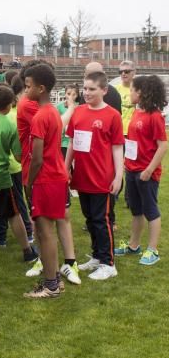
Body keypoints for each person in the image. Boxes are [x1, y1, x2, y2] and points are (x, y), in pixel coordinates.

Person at [65, 71, 124, 280]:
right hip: (82, 177)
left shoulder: (113, 115)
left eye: (92, 89)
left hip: (102, 178)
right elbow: (72, 142)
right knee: (90, 220)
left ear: (104, 90)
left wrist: (118, 175)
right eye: (85, 88)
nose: (86, 93)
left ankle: (109, 263)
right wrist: (65, 167)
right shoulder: (79, 112)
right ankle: (98, 257)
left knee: (102, 220)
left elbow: (117, 147)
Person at [23, 64, 71, 299]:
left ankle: (51, 285)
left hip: (46, 179)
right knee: (46, 231)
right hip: (55, 177)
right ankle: (53, 280)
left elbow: (37, 157)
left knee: (45, 232)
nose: (26, 90)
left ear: (41, 88)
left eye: (28, 86)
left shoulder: (40, 116)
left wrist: (29, 182)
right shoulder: (52, 111)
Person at [114, 74, 168, 265]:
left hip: (146, 173)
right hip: (132, 169)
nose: (130, 93)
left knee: (150, 210)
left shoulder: (155, 117)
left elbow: (163, 145)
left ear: (141, 92)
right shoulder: (137, 112)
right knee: (136, 210)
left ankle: (152, 250)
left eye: (132, 90)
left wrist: (149, 169)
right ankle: (134, 245)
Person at [0, 85, 38, 263]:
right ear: (9, 105)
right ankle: (27, 250)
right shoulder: (10, 124)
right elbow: (17, 155)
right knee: (14, 214)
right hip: (0, 175)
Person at [115, 60, 136, 136]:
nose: (123, 74)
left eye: (126, 71)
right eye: (121, 72)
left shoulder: (140, 90)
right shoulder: (115, 90)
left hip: (135, 130)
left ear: (134, 72)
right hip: (118, 131)